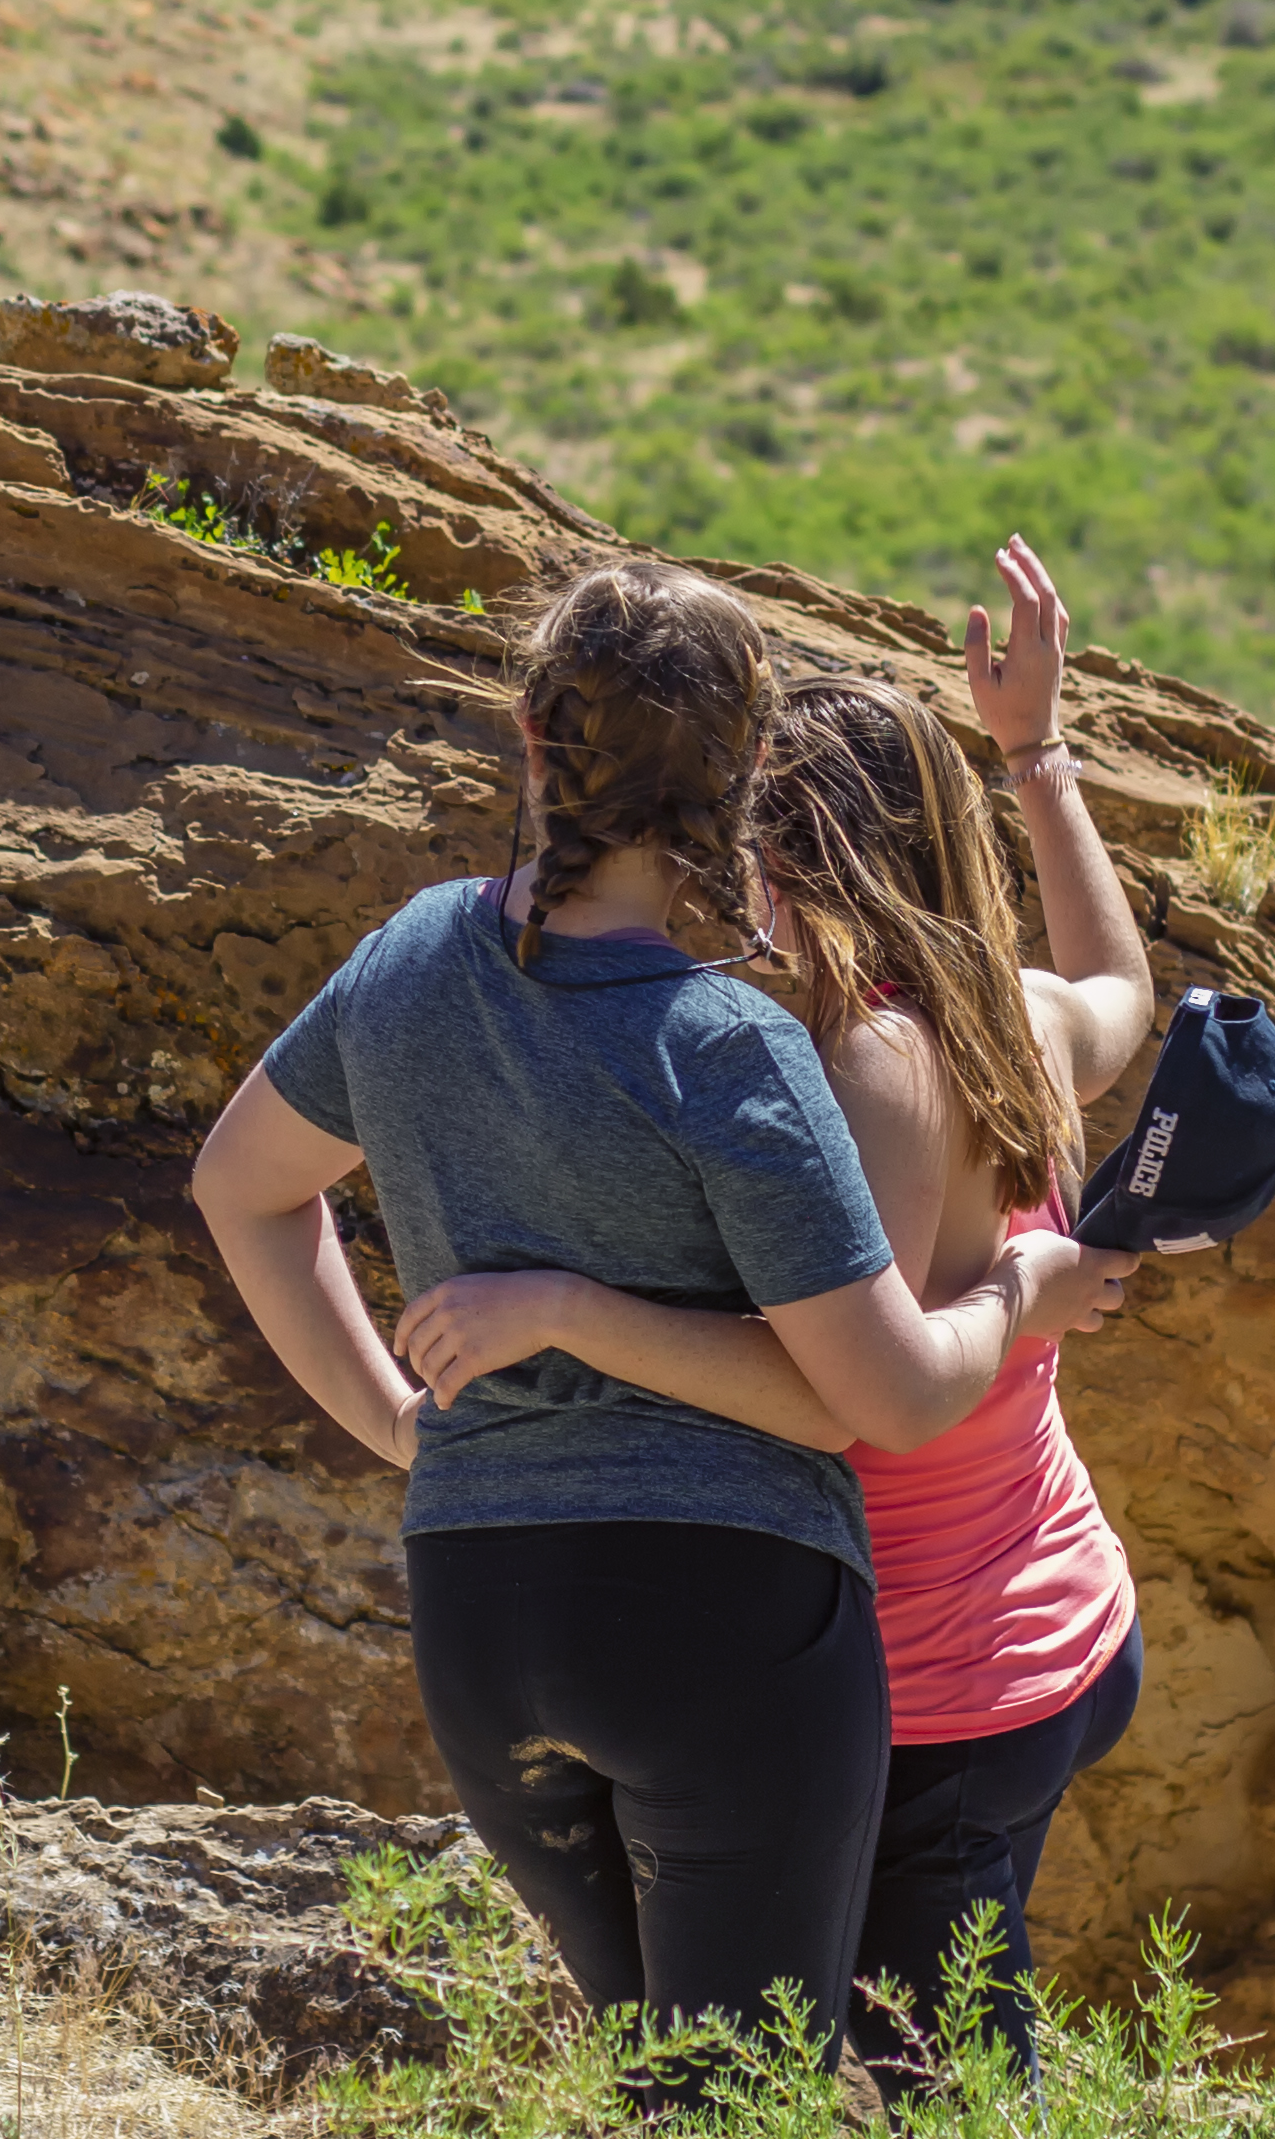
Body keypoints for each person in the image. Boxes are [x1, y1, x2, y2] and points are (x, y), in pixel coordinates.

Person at [189, 560, 1136, 2086]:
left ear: (530, 732)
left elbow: (242, 1188)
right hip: (726, 1631)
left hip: (479, 1617)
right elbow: (871, 1401)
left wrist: (404, 1426)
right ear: (749, 767)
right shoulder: (730, 1042)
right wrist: (1020, 1290)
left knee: (662, 2078)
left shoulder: (412, 958)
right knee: (743, 2094)